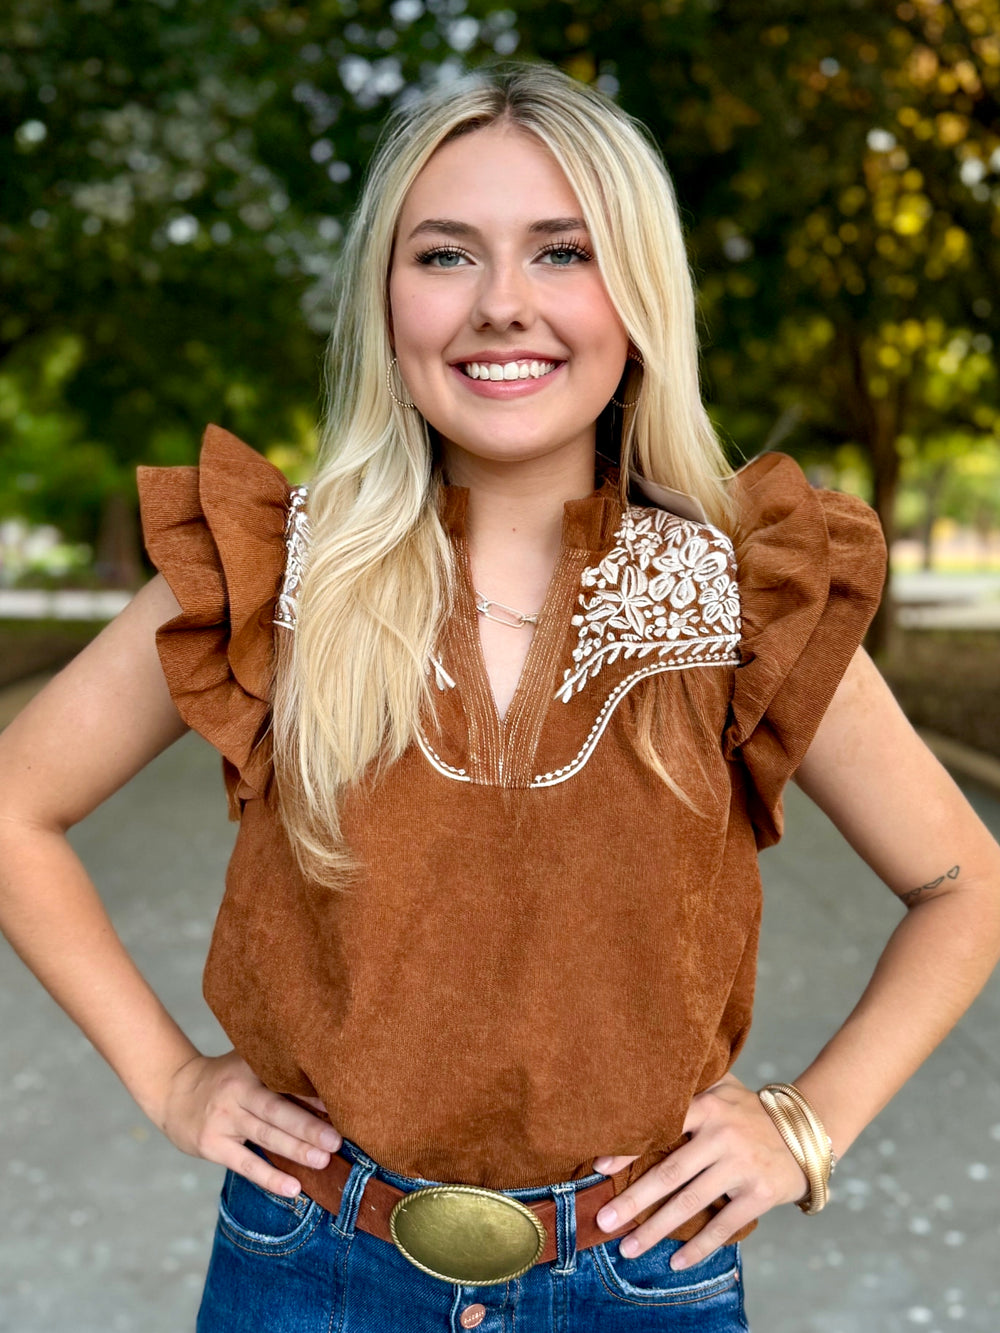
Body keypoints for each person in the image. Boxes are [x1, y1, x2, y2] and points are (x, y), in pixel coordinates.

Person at [1, 60, 998, 1333]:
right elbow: (15, 808)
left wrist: (807, 1125)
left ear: (639, 295)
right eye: (445, 254)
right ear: (385, 298)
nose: (502, 304)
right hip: (309, 1269)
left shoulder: (739, 591)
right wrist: (168, 1080)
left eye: (563, 252)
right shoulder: (280, 570)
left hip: (637, 1282)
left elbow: (965, 884)